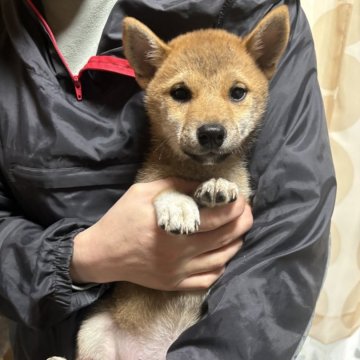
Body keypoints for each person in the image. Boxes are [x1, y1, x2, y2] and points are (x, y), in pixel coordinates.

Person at [0, 0, 336, 359]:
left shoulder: (252, 9)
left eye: (236, 93)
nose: (210, 120)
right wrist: (81, 257)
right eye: (181, 93)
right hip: (75, 333)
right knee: (96, 327)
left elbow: (290, 231)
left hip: (206, 339)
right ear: (144, 69)